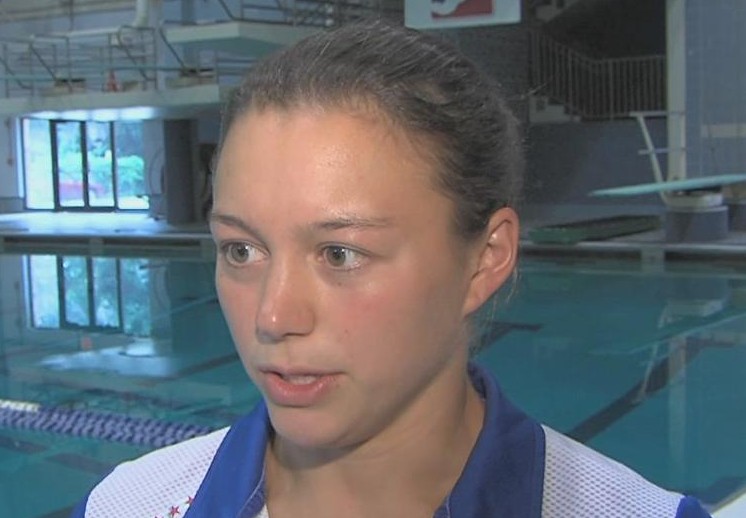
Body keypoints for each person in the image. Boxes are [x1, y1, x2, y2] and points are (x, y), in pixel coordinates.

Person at [71, 19, 713, 518]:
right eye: (242, 250)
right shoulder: (130, 502)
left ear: (485, 260)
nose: (273, 316)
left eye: (340, 254)